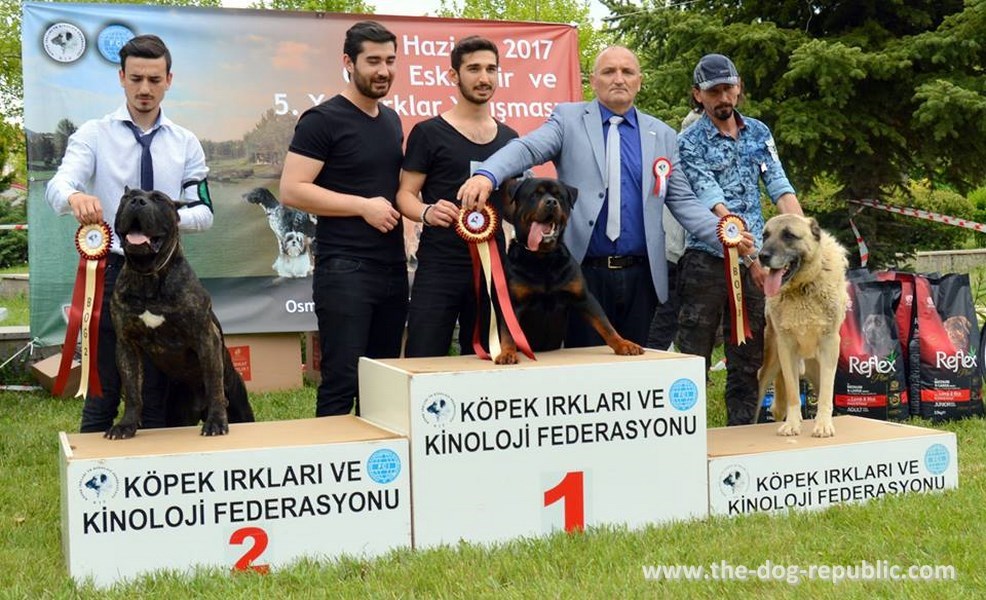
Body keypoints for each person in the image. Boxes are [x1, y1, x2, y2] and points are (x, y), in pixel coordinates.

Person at [458, 46, 753, 348]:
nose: (618, 79)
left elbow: (683, 201)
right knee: (585, 375)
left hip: (642, 277)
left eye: (627, 72)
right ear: (593, 81)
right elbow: (527, 149)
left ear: (640, 80)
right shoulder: (567, 120)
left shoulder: (662, 134)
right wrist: (488, 174)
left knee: (634, 374)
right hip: (583, 273)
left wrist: (724, 234)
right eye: (609, 72)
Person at [45, 34, 214, 433]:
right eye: (136, 78)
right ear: (121, 77)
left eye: (154, 80)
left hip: (167, 277)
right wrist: (74, 197)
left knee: (155, 398)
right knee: (103, 388)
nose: (144, 89)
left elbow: (205, 212)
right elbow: (58, 185)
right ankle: (90, 483)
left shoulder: (187, 143)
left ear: (169, 80)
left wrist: (162, 223)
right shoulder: (93, 134)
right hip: (107, 271)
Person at [279, 21, 406, 417]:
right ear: (348, 62)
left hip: (393, 268)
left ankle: (381, 474)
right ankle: (330, 475)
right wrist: (363, 205)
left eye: (390, 61)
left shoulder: (392, 121)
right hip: (345, 269)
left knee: (382, 382)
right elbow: (292, 189)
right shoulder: (322, 119)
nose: (383, 70)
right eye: (373, 61)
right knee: (341, 382)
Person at [674, 53, 804, 426]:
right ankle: (687, 431)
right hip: (706, 258)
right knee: (694, 351)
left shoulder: (760, 133)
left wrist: (803, 236)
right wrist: (750, 262)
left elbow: (779, 185)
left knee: (747, 353)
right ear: (698, 95)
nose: (723, 98)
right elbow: (712, 200)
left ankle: (742, 431)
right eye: (714, 91)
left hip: (759, 258)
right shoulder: (689, 142)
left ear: (739, 87)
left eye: (728, 88)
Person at [397, 36, 518, 358]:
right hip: (440, 265)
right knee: (424, 358)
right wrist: (425, 212)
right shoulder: (428, 132)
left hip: (494, 267)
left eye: (491, 69)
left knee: (491, 357)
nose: (484, 78)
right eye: (474, 68)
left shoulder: (510, 139)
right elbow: (405, 195)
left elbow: (512, 205)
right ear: (453, 76)